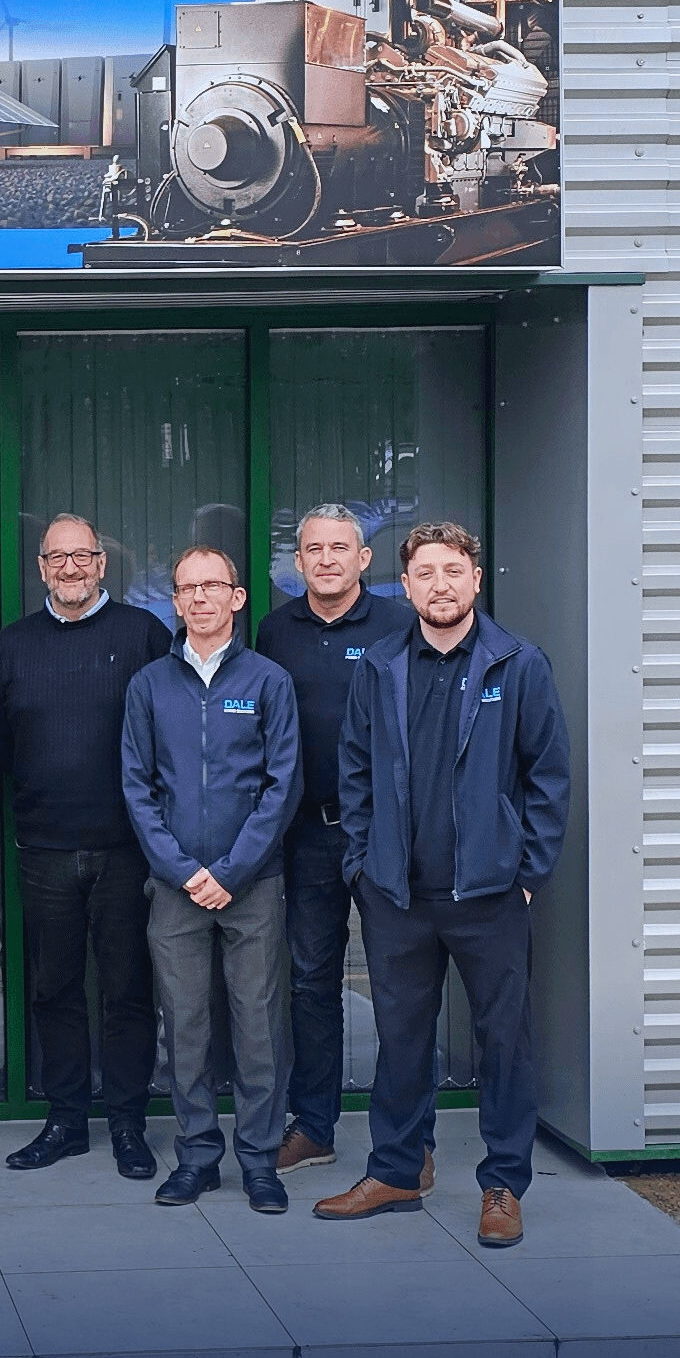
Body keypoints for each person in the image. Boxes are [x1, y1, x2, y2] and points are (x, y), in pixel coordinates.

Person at [316, 523, 570, 1250]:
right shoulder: (381, 664)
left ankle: (502, 1184)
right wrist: (361, 866)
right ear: (405, 585)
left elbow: (548, 778)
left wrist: (526, 876)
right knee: (400, 1041)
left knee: (503, 1043)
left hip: (489, 897)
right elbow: (354, 770)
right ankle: (397, 1169)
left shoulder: (517, 664)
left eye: (452, 570)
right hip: (398, 896)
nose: (439, 584)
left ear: (476, 579)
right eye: (424, 572)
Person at [0, 515, 173, 1176]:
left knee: (127, 990)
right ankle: (65, 1121)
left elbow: (167, 734)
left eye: (81, 557)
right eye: (56, 558)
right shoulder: (11, 647)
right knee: (53, 988)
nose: (69, 568)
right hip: (44, 848)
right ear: (40, 568)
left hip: (127, 848)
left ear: (100, 564)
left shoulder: (144, 635)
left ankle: (126, 1123)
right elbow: (1, 743)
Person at [122, 546, 301, 1213]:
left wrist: (231, 870)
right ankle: (196, 1156)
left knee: (259, 1026)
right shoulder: (149, 685)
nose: (199, 598)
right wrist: (183, 870)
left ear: (237, 597)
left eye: (212, 586)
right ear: (175, 601)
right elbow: (136, 787)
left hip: (252, 885)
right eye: (187, 588)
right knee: (186, 1025)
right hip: (175, 888)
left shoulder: (268, 681)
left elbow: (283, 786)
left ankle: (260, 1162)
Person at [253, 506, 419, 1181]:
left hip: (384, 836)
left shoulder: (399, 625)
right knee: (311, 982)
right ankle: (314, 1126)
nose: (325, 559)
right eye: (313, 549)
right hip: (307, 836)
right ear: (298, 563)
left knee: (399, 988)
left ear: (364, 559)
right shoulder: (274, 630)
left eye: (339, 548)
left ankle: (408, 1137)